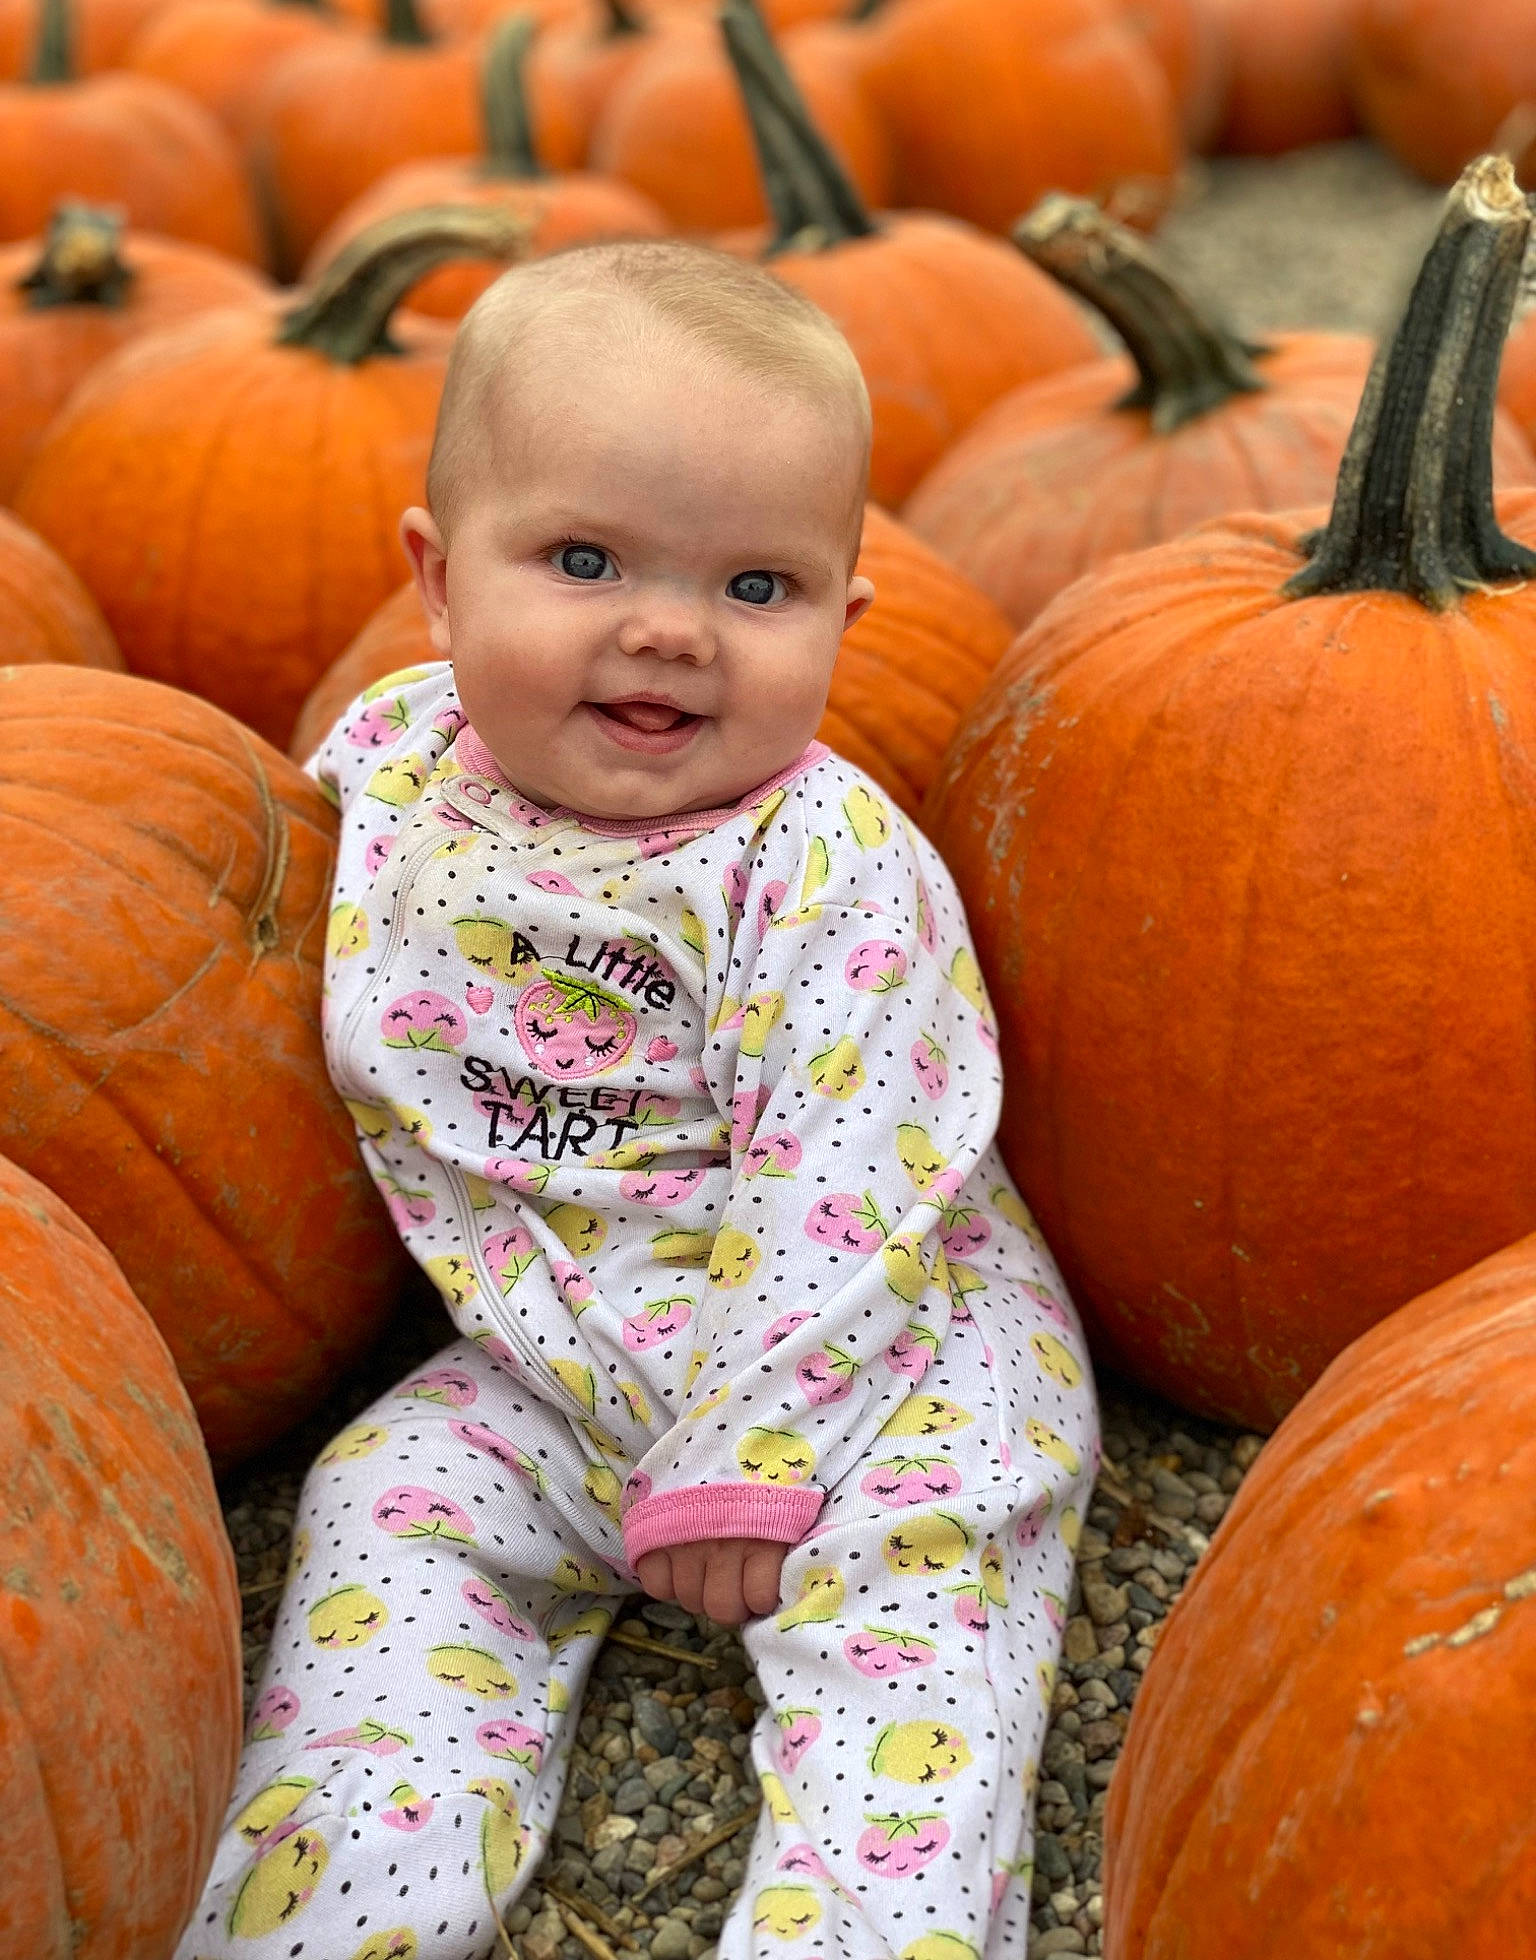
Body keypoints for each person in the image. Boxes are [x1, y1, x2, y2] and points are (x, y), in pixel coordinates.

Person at [177, 240, 1099, 1960]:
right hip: (566, 1352)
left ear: (844, 613)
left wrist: (752, 1469)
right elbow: (217, 961)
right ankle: (332, 1901)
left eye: (759, 588)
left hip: (880, 1372)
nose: (669, 628)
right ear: (440, 582)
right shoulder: (385, 770)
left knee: (914, 1671)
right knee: (387, 1499)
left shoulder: (817, 864)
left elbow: (856, 1179)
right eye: (586, 559)